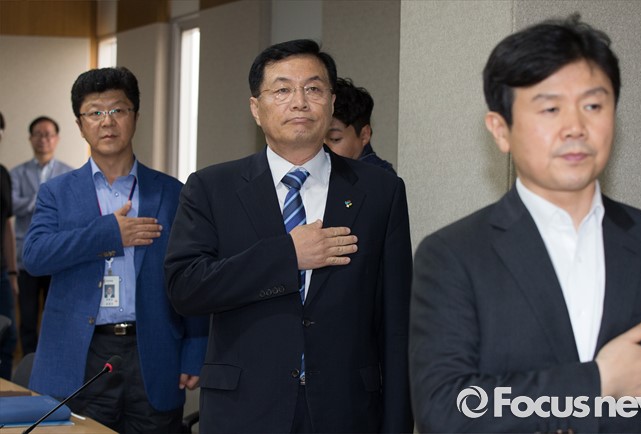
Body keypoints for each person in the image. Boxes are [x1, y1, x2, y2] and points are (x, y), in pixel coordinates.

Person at [409, 14, 641, 433]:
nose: (575, 128)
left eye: (593, 106)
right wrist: (597, 382)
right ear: (501, 130)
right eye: (550, 108)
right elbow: (444, 410)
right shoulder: (453, 255)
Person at [165, 39, 413, 433]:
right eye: (282, 90)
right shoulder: (212, 187)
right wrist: (287, 256)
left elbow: (396, 323)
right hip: (244, 411)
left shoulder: (380, 191)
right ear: (256, 108)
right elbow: (185, 288)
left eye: (313, 88)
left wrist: (397, 423)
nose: (300, 102)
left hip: (347, 410)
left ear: (331, 102)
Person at [22, 67, 208, 433]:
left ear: (135, 116)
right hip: (82, 355)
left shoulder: (171, 192)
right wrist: (108, 233)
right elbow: (35, 256)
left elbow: (192, 274)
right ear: (80, 125)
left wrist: (195, 349)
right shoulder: (57, 193)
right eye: (95, 112)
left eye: (118, 110)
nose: (107, 121)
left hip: (152, 351)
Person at [11, 116, 73, 356]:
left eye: (48, 134)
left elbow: (71, 211)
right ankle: (28, 363)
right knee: (27, 317)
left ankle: (53, 359)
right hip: (25, 257)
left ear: (56, 139)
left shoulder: (69, 174)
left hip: (57, 257)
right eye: (38, 134)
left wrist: (34, 201)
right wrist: (44, 199)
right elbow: (12, 206)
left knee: (55, 314)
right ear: (30, 138)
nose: (43, 139)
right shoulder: (17, 173)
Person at [325, 77, 396, 174]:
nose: (322, 148)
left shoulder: (381, 177)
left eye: (335, 139)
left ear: (364, 136)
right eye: (316, 138)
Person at [0, 111, 19, 380]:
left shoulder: (3, 173)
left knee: (8, 335)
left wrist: (13, 273)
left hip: (1, 272)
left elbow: (7, 225)